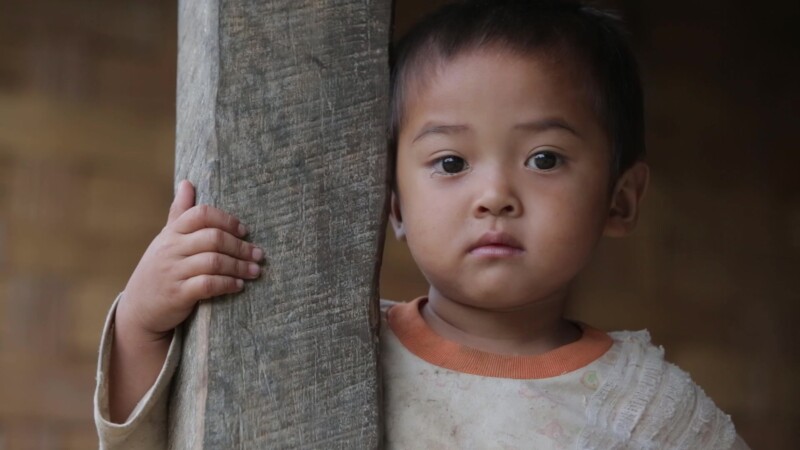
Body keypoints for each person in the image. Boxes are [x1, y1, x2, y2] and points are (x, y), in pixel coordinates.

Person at [94, 0, 750, 448]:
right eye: (450, 161)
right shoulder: (329, 345)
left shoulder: (648, 408)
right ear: (395, 204)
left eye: (543, 158)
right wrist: (141, 322)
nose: (494, 194)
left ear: (621, 199)